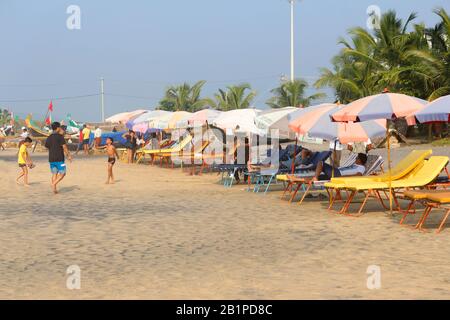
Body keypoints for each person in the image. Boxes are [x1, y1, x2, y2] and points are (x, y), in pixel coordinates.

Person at [45, 122, 72, 194]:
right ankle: (53, 184)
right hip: (60, 159)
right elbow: (64, 147)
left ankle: (54, 189)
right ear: (57, 128)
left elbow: (47, 146)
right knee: (63, 173)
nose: (60, 128)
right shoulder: (60, 137)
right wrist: (68, 155)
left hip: (51, 159)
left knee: (54, 174)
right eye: (59, 127)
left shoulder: (49, 137)